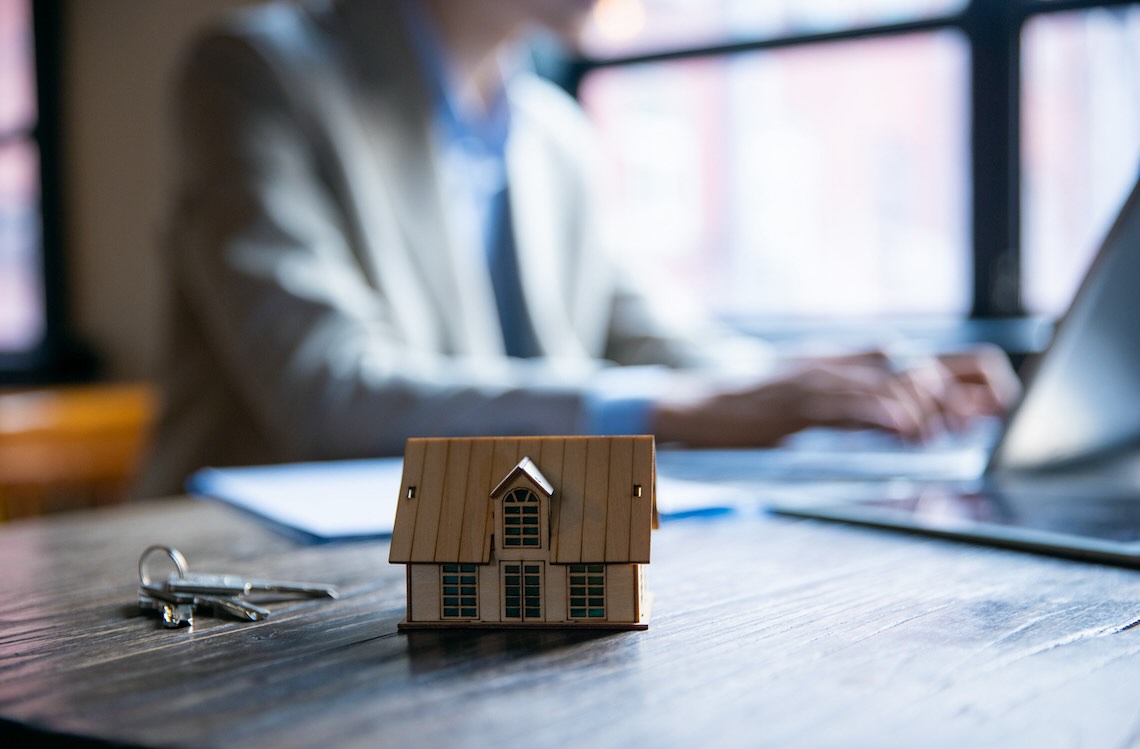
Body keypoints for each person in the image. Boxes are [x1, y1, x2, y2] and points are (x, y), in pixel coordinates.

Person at [137, 0, 1019, 497]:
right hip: (237, 600)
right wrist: (676, 412)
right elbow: (323, 391)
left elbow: (655, 342)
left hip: (477, 558)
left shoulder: (549, 132)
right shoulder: (254, 74)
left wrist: (842, 386)